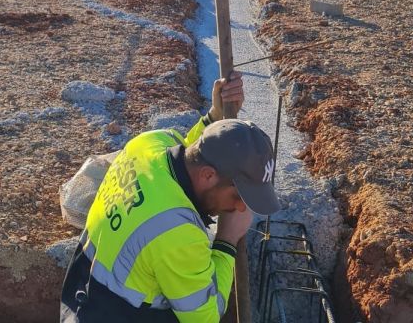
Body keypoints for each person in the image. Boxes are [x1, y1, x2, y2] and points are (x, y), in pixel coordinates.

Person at [60, 72, 281, 322]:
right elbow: (205, 318)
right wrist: (227, 240)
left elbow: (189, 146)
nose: (242, 207)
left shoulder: (150, 143)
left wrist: (215, 117)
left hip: (80, 292)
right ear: (209, 176)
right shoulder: (176, 232)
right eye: (239, 195)